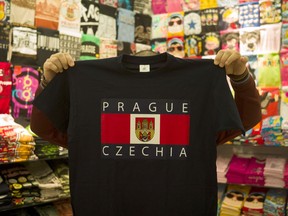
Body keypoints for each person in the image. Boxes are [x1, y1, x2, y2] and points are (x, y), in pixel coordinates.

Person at [30, 49, 261, 215]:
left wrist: (240, 76)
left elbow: (244, 119)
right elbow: (43, 127)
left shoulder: (201, 83)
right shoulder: (85, 82)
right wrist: (49, 81)